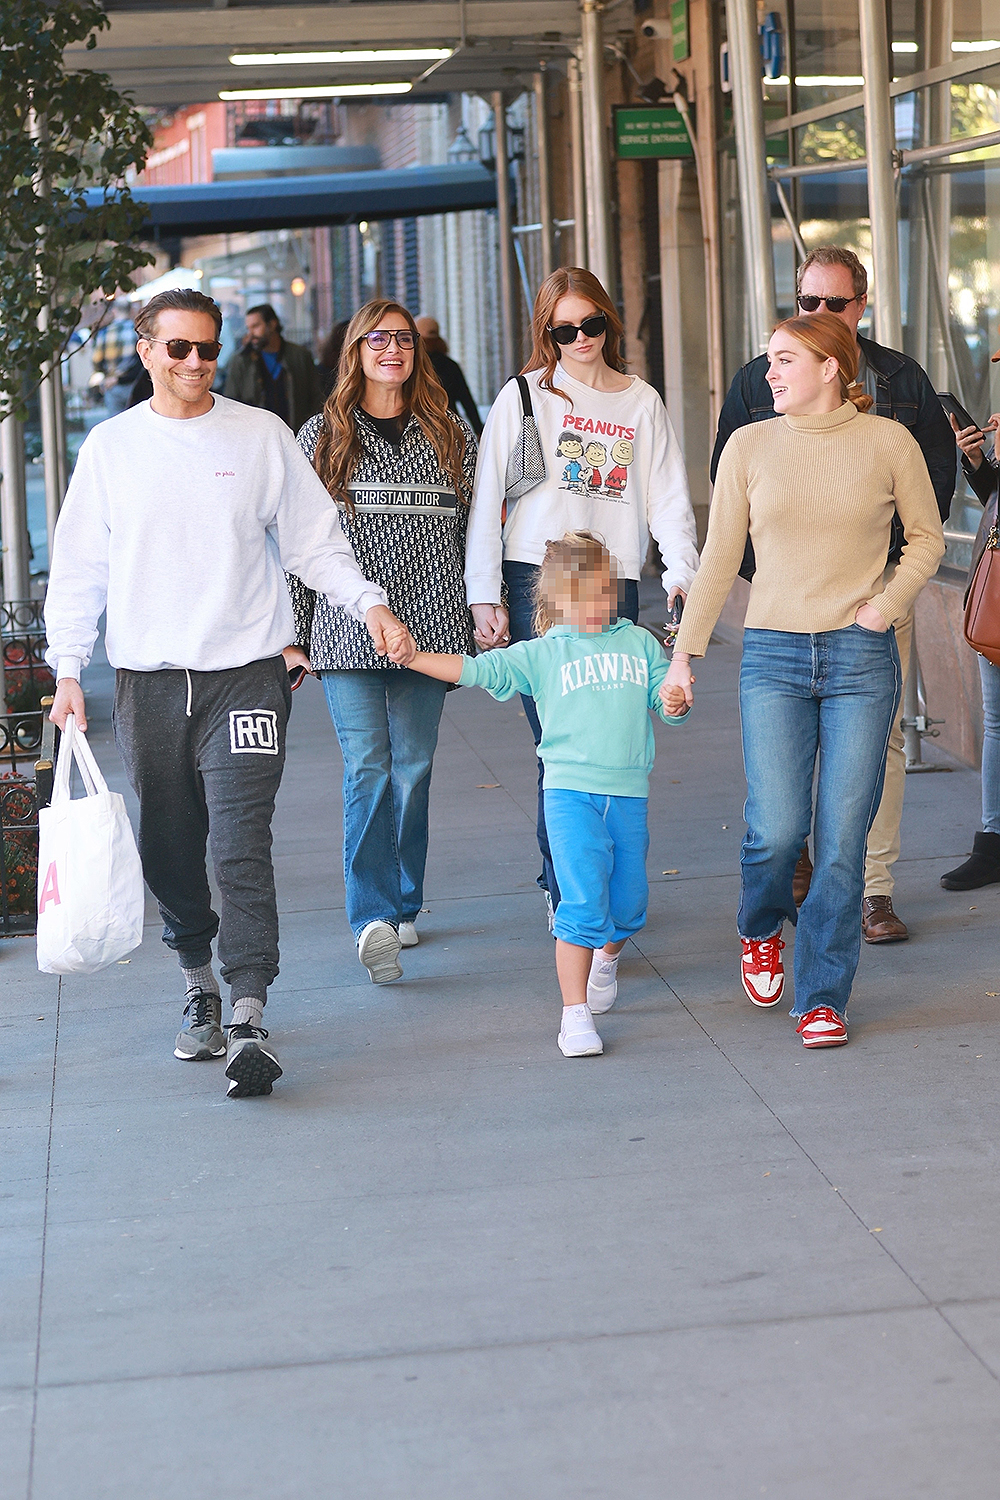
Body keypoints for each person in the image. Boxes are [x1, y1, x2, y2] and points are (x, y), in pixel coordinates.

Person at [44, 288, 411, 1099]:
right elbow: (78, 568)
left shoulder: (259, 436)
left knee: (240, 840)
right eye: (178, 349)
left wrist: (370, 603)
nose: (196, 363)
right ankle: (197, 979)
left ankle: (248, 1008)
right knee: (170, 844)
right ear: (144, 351)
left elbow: (315, 541)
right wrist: (68, 670)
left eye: (207, 349)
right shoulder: (111, 449)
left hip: (246, 673)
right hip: (147, 679)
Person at [666, 314, 944, 1050]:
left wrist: (886, 605)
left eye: (785, 359)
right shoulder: (750, 446)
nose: (770, 374)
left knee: (843, 839)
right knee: (778, 829)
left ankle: (822, 995)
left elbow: (927, 539)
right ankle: (760, 928)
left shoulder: (889, 442)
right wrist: (684, 656)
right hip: (774, 656)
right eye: (768, 361)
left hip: (860, 657)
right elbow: (720, 555)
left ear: (830, 365)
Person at [712, 246, 956, 944]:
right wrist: (780, 577)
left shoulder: (900, 379)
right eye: (806, 301)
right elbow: (731, 503)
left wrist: (885, 585)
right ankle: (795, 864)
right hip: (786, 609)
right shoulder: (761, 379)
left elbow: (929, 493)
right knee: (786, 766)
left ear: (861, 307)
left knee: (878, 749)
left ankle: (872, 890)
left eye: (834, 303)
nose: (817, 313)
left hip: (876, 598)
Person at [387, 531, 690, 1057]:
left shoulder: (639, 643)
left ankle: (607, 959)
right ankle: (574, 1017)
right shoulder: (543, 654)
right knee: (578, 901)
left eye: (600, 592)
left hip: (627, 794)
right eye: (579, 597)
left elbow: (667, 703)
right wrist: (414, 658)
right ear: (555, 604)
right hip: (569, 796)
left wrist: (676, 700)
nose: (593, 606)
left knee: (630, 904)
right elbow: (477, 670)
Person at [464, 266, 699, 926]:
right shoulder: (523, 397)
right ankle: (568, 884)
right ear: (547, 331)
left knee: (606, 735)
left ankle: (584, 879)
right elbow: (489, 498)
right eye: (563, 329)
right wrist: (485, 595)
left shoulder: (641, 402)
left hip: (612, 581)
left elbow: (669, 500)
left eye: (590, 324)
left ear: (608, 322)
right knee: (564, 741)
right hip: (537, 580)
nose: (579, 338)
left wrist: (681, 572)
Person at [284, 300, 476, 985]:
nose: (391, 349)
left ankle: (404, 901)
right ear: (355, 351)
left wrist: (478, 610)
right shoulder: (320, 435)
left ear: (416, 350)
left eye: (401, 339)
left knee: (413, 768)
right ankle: (371, 916)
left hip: (433, 628)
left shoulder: (449, 429)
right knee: (367, 767)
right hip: (346, 632)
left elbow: (473, 531)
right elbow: (301, 545)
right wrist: (293, 636)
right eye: (376, 339)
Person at [942, 377, 1000, 890]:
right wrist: (981, 462)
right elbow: (997, 500)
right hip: (997, 587)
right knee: (996, 719)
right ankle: (992, 841)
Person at [224, 302, 326, 431]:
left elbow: (316, 397)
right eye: (248, 328)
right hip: (258, 437)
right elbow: (231, 403)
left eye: (255, 326)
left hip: (296, 435)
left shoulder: (300, 355)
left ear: (272, 324)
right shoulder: (241, 361)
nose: (250, 334)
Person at [414, 316, 484, 437]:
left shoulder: (413, 366)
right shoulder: (451, 366)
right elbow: (467, 400)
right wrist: (479, 430)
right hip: (450, 428)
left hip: (420, 428)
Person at [89, 298, 139, 417]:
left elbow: (96, 361)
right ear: (130, 310)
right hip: (134, 385)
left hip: (112, 386)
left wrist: (106, 375)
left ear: (114, 311)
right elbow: (141, 363)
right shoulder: (137, 332)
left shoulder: (104, 333)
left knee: (116, 425)